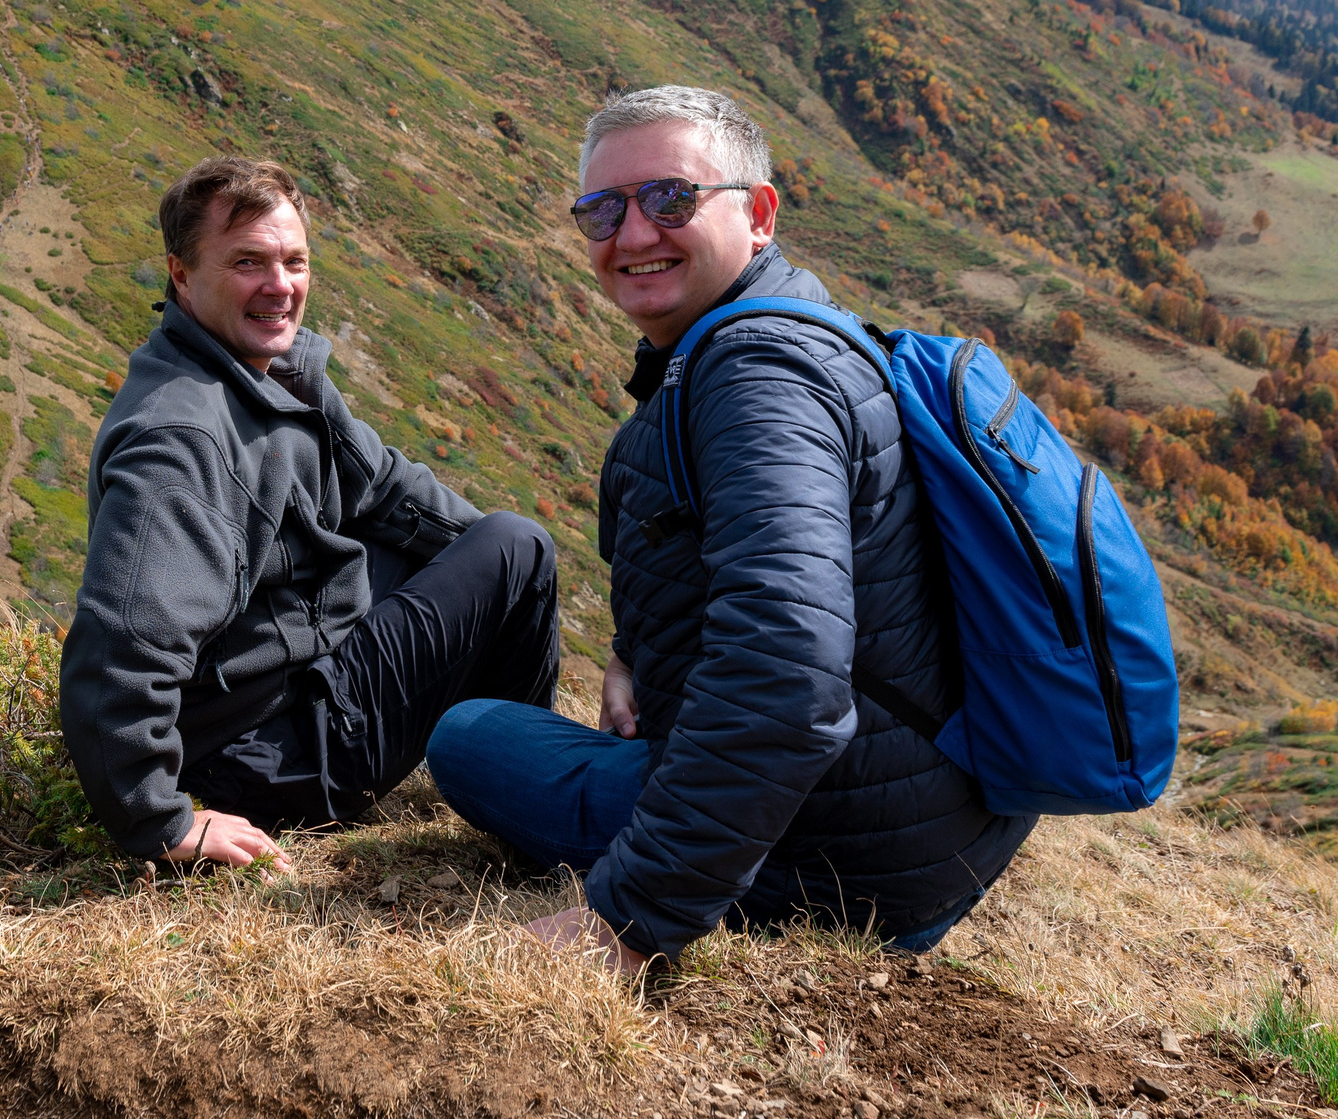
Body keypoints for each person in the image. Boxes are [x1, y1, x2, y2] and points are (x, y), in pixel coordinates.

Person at [427, 86, 1035, 971]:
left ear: (757, 213)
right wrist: (637, 648)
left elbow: (787, 669)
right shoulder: (791, 325)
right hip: (921, 823)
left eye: (670, 198)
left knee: (469, 737)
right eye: (603, 209)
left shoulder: (759, 381)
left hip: (845, 860)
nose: (633, 234)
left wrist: (629, 920)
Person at [61, 156, 563, 868]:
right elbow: (117, 646)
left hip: (280, 685)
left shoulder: (274, 374)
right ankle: (531, 790)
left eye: (294, 261)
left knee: (479, 548)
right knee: (522, 544)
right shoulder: (180, 443)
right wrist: (162, 821)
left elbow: (387, 489)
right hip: (262, 759)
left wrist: (489, 576)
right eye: (248, 262)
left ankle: (504, 753)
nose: (280, 286)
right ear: (180, 274)